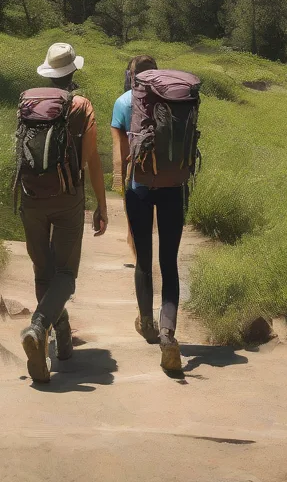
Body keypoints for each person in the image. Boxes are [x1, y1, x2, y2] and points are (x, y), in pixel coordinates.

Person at [19, 42, 108, 384]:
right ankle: (41, 327)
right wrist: (100, 204)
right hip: (67, 197)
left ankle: (62, 335)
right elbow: (89, 162)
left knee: (43, 272)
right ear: (73, 72)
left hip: (30, 195)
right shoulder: (81, 105)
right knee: (66, 274)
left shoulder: (28, 100)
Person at [111, 55, 185, 374]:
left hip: (139, 186)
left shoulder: (123, 102)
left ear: (132, 75)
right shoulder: (175, 98)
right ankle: (168, 333)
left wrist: (119, 188)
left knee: (144, 260)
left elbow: (120, 156)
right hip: (173, 186)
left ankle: (147, 323)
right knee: (169, 263)